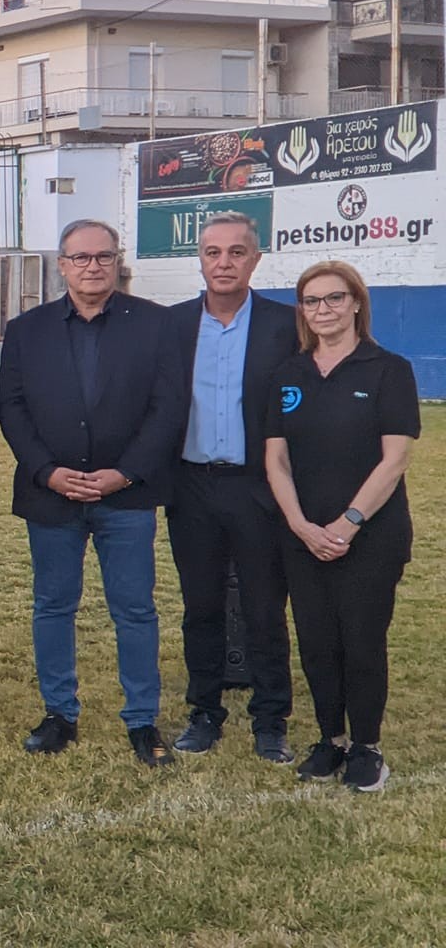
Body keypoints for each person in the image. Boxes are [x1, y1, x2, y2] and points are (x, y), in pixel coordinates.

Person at [0, 219, 188, 767]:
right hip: (52, 496)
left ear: (117, 261)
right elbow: (11, 407)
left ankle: (142, 719)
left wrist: (125, 473)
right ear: (62, 265)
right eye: (80, 258)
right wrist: (46, 472)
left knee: (134, 609)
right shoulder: (26, 329)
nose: (92, 267)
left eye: (103, 256)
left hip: (125, 497)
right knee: (53, 605)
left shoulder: (155, 324)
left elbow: (169, 407)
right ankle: (59, 713)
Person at [264, 261, 419, 792]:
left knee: (361, 641)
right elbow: (276, 460)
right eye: (312, 301)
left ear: (356, 303)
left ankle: (367, 748)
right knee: (316, 643)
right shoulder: (288, 374)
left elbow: (394, 460)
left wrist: (347, 524)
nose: (323, 309)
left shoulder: (388, 369)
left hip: (370, 535)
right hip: (303, 538)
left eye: (334, 298)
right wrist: (301, 526)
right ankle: (331, 740)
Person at [165, 212, 298, 761]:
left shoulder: (287, 325)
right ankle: (204, 711)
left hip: (257, 487)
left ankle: (270, 718)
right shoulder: (171, 325)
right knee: (201, 607)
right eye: (213, 252)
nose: (224, 263)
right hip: (191, 487)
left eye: (236, 252)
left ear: (255, 259)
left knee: (265, 608)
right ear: (199, 259)